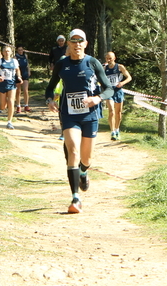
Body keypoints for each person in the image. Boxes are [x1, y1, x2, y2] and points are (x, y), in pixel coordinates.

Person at [45, 29, 113, 214]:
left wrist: (97, 98)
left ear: (86, 43)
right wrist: (50, 100)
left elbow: (109, 88)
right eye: (73, 41)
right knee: (73, 150)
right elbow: (50, 87)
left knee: (86, 158)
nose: (77, 45)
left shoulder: (92, 62)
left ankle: (83, 172)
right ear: (68, 44)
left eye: (80, 41)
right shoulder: (62, 64)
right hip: (69, 114)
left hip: (90, 115)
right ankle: (75, 198)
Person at [103, 51, 132, 141]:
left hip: (118, 91)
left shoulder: (120, 67)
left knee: (118, 113)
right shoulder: (104, 68)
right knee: (111, 111)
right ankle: (112, 132)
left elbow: (129, 77)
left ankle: (117, 130)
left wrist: (122, 83)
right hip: (109, 92)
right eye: (107, 58)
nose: (108, 60)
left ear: (114, 58)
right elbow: (99, 78)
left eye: (110, 58)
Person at [0, 45, 22, 129]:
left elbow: (17, 70)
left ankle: (9, 122)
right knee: (3, 105)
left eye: (8, 51)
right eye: (5, 51)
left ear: (11, 52)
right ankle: (0, 109)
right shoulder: (0, 61)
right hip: (2, 84)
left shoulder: (14, 61)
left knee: (11, 101)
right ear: (2, 52)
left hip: (12, 84)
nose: (7, 53)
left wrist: (19, 77)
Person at [14, 46, 31, 113]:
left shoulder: (25, 56)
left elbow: (27, 64)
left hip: (25, 74)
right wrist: (17, 75)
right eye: (19, 50)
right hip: (18, 75)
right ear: (17, 50)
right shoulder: (15, 57)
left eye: (21, 50)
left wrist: (29, 71)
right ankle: (18, 106)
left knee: (25, 90)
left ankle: (26, 105)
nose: (20, 51)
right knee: (18, 91)